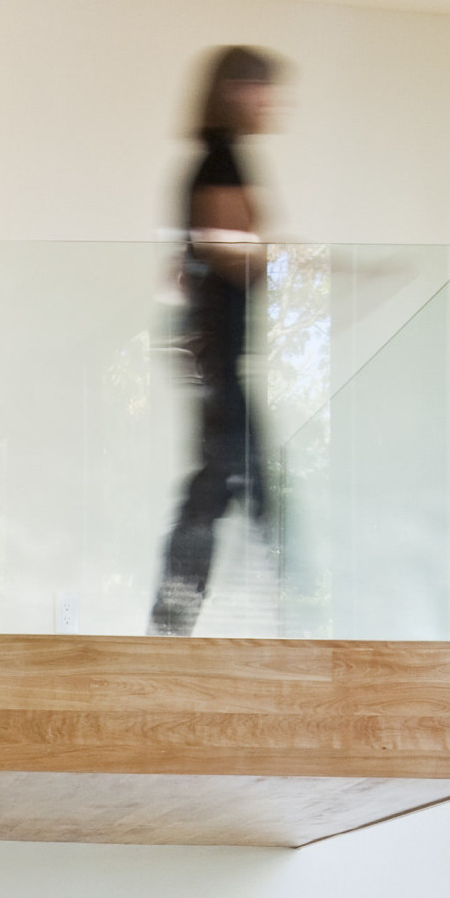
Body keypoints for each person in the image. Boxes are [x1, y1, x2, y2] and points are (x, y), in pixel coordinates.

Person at [148, 45, 285, 634]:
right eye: (262, 89)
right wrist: (286, 255)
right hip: (216, 353)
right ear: (235, 90)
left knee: (224, 484)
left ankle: (174, 620)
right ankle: (284, 610)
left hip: (217, 352)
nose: (271, 103)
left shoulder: (219, 157)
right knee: (243, 485)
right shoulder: (220, 157)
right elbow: (228, 248)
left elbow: (209, 251)